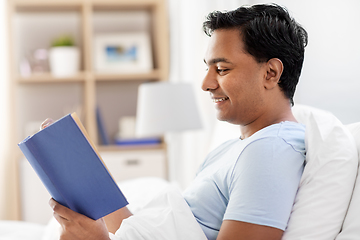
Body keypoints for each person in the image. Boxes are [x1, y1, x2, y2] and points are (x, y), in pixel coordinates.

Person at [47, 3, 308, 240]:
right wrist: (88, 171)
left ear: (271, 73)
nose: (206, 84)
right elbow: (137, 230)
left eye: (222, 69)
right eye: (207, 68)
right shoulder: (233, 149)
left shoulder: (271, 151)